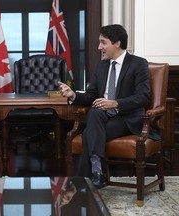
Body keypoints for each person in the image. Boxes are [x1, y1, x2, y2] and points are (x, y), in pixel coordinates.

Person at [58, 24, 150, 188]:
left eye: (103, 42)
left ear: (117, 43)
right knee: (94, 113)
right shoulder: (101, 66)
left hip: (127, 118)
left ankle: (83, 180)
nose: (99, 47)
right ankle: (97, 173)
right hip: (102, 116)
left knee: (88, 134)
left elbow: (143, 97)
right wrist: (73, 95)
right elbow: (92, 96)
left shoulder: (138, 64)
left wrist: (115, 103)